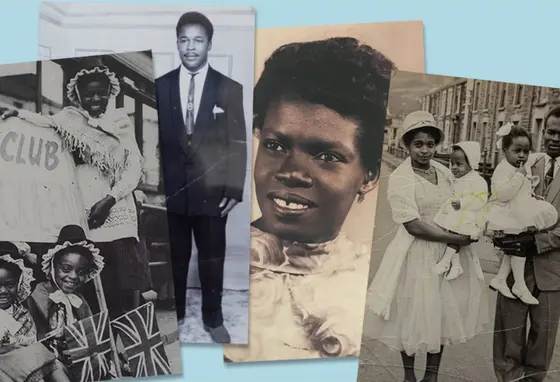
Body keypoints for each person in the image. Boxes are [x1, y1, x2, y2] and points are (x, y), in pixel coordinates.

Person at [223, 37, 394, 362]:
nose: (293, 173)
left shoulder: (374, 288)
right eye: (275, 145)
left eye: (327, 155)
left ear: (369, 176)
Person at [0, 56, 152, 320]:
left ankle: (120, 355)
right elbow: (44, 122)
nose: (95, 99)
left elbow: (133, 168)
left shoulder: (120, 123)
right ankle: (95, 349)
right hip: (85, 213)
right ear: (78, 96)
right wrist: (18, 114)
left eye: (100, 94)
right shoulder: (70, 120)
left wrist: (110, 199)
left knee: (120, 291)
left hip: (115, 213)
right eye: (89, 94)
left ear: (109, 94)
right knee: (89, 284)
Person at [365, 111, 489, 382]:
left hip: (443, 252)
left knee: (442, 311)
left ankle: (431, 376)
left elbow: (464, 199)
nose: (425, 150)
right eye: (418, 144)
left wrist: (471, 221)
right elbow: (414, 225)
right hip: (416, 252)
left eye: (430, 144)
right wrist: (457, 239)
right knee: (411, 312)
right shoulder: (401, 178)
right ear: (407, 146)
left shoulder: (444, 172)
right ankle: (409, 376)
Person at [155, 11, 247, 343]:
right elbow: (155, 140)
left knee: (212, 258)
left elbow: (238, 141)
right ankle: (176, 312)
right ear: (176, 42)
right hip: (173, 193)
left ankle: (213, 318)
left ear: (209, 43)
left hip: (213, 192)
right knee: (175, 258)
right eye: (184, 40)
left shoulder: (228, 88)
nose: (190, 48)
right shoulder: (161, 86)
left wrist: (234, 188)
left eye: (198, 40)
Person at [492, 107, 560, 382]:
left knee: (541, 344)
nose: (555, 138)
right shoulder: (522, 159)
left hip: (552, 273)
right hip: (513, 265)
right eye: (551, 131)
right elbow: (498, 198)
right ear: (543, 132)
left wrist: (536, 241)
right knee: (508, 338)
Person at [486, 123, 558, 306]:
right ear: (505, 150)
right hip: (508, 214)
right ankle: (518, 284)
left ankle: (501, 278)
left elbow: (524, 190)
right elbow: (502, 194)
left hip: (550, 270)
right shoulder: (505, 169)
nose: (522, 156)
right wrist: (520, 176)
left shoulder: (526, 164)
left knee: (517, 247)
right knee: (517, 247)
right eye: (517, 151)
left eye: (526, 152)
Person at [27, 226, 106, 369]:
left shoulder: (80, 301)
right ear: (53, 267)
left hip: (77, 362)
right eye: (66, 269)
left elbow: (90, 335)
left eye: (81, 271)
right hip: (46, 363)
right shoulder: (38, 295)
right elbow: (34, 336)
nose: (74, 276)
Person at [0, 244, 71, 382]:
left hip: (23, 363)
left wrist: (19, 345)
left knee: (44, 356)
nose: (3, 291)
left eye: (9, 285)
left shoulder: (22, 314)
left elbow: (30, 341)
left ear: (19, 283)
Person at [432, 141, 488, 281]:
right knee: (450, 233)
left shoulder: (478, 181)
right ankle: (456, 265)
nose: (454, 168)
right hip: (457, 213)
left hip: (470, 215)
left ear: (471, 164)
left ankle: (446, 261)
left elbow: (480, 199)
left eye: (459, 164)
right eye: (452, 163)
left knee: (455, 231)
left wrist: (462, 203)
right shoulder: (457, 178)